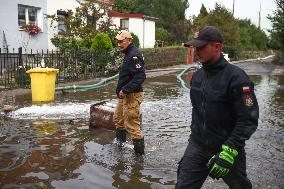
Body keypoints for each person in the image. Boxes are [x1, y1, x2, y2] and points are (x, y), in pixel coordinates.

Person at [175, 26, 259, 189]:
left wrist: (230, 150)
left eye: (201, 47)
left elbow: (248, 119)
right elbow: (197, 109)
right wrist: (194, 130)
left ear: (217, 47)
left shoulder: (237, 78)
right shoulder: (197, 77)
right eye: (195, 47)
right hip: (198, 146)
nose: (197, 51)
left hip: (227, 148)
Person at [113, 30, 146, 155]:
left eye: (122, 41)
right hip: (124, 95)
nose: (119, 44)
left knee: (132, 126)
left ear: (129, 40)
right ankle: (120, 146)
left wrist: (125, 89)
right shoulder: (128, 53)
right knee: (118, 119)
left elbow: (141, 76)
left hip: (131, 95)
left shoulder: (133, 55)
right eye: (118, 41)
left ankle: (139, 158)